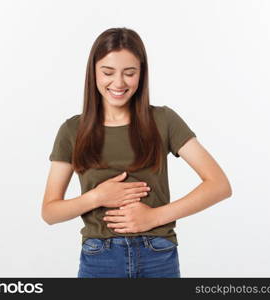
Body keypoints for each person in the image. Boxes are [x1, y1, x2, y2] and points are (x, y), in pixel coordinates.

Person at [41, 27, 232, 278]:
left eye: (129, 73)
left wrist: (154, 217)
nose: (118, 83)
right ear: (93, 73)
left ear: (141, 74)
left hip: (158, 254)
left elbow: (219, 185)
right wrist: (97, 197)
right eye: (108, 72)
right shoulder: (72, 130)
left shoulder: (164, 120)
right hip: (100, 257)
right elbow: (50, 212)